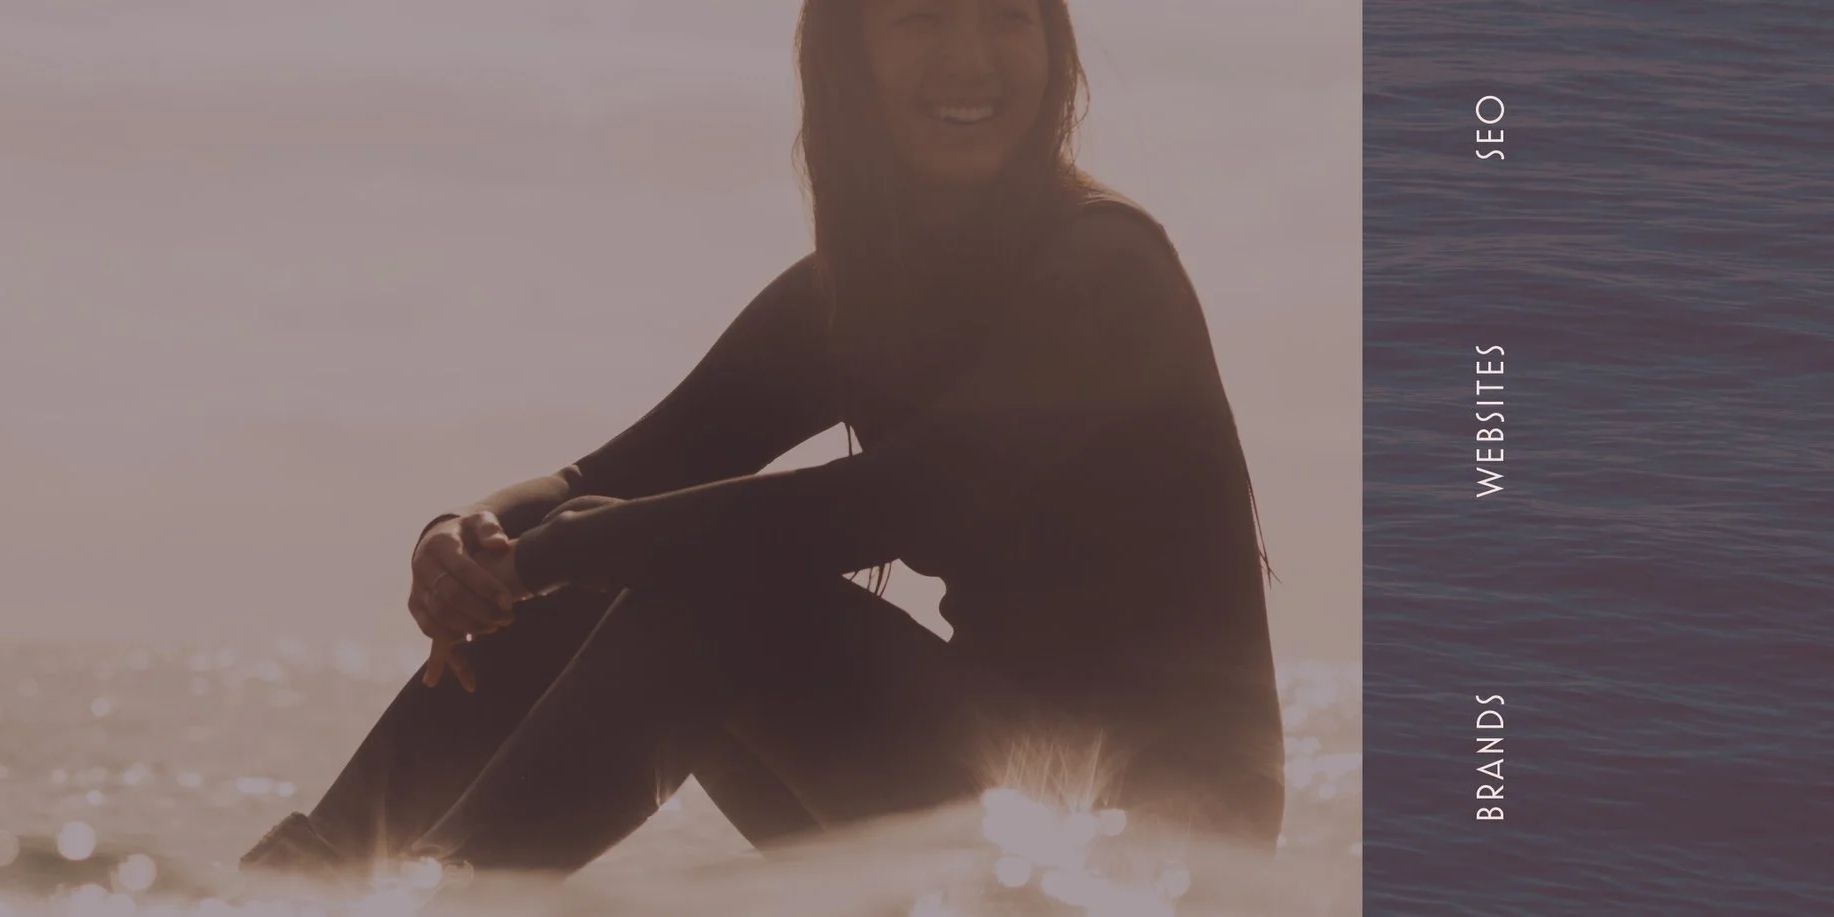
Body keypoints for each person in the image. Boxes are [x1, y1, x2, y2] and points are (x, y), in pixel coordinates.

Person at [242, 0, 1284, 883]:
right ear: (850, 51)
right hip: (994, 806)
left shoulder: (1108, 269)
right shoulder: (854, 293)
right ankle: (297, 884)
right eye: (922, 14)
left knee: (709, 583)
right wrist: (464, 541)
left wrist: (557, 548)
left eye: (1007, 14)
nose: (969, 53)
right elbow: (610, 476)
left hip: (1160, 852)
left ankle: (444, 899)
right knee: (609, 575)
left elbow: (900, 497)